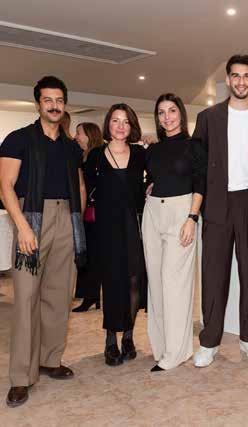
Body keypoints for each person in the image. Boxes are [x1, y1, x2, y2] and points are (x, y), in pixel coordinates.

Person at [0, 76, 86, 407]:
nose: (54, 105)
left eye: (59, 100)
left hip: (66, 220)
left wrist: (76, 225)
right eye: (48, 100)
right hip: (32, 219)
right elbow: (5, 186)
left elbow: (79, 185)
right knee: (26, 299)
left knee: (59, 296)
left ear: (64, 105)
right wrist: (23, 228)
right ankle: (21, 377)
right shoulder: (18, 139)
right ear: (38, 103)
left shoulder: (71, 147)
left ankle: (50, 359)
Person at [192, 54, 248, 367]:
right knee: (213, 275)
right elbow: (197, 166)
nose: (241, 81)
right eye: (235, 76)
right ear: (228, 80)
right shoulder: (207, 118)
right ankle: (209, 341)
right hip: (217, 204)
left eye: (247, 76)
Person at [143, 93, 206, 372]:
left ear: (181, 113)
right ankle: (161, 346)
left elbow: (200, 183)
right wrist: (149, 187)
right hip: (153, 213)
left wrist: (192, 217)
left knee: (174, 284)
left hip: (182, 214)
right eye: (161, 112)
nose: (166, 117)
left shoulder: (194, 146)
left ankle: (177, 351)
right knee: (156, 284)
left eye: (171, 111)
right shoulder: (153, 150)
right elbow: (154, 179)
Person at [84, 103, 146, 366]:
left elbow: (153, 181)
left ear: (131, 126)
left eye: (126, 121)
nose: (121, 126)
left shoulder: (140, 154)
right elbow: (86, 190)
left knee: (133, 280)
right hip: (106, 228)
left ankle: (128, 336)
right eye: (116, 120)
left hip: (133, 225)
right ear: (108, 124)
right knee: (110, 282)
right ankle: (110, 339)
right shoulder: (96, 156)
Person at [73, 123, 104, 312]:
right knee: (87, 255)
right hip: (88, 212)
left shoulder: (94, 155)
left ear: (89, 135)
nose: (76, 136)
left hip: (93, 214)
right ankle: (87, 294)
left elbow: (90, 184)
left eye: (79, 133)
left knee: (91, 256)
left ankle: (90, 296)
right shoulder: (85, 155)